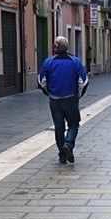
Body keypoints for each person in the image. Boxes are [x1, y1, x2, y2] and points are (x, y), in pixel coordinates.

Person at [38, 36, 88, 164]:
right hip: (71, 98)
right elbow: (83, 81)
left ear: (56, 47)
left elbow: (41, 81)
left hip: (54, 100)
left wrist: (49, 93)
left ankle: (62, 155)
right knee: (73, 124)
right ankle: (69, 143)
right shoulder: (75, 61)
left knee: (59, 127)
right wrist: (78, 95)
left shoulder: (48, 62)